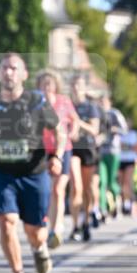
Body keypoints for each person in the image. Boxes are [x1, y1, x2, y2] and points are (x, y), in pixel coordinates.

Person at [0, 53, 64, 273]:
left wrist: (57, 157)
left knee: (35, 232)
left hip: (35, 173)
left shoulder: (37, 101)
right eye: (4, 68)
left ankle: (39, 248)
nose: (8, 72)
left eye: (14, 68)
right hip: (2, 172)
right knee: (6, 222)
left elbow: (59, 131)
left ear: (24, 74)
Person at [36, 70, 79, 249]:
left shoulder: (64, 101)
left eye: (50, 84)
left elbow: (75, 120)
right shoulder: (36, 103)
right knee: (46, 189)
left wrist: (73, 131)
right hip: (43, 150)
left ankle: (57, 228)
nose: (47, 87)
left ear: (56, 85)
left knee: (58, 189)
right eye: (43, 84)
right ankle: (46, 224)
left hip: (63, 149)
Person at [69, 74, 101, 242]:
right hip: (72, 149)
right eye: (74, 85)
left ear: (84, 88)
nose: (76, 89)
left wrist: (78, 122)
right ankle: (75, 226)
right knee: (76, 187)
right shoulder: (68, 105)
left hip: (87, 149)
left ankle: (86, 221)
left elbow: (94, 130)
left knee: (87, 189)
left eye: (79, 85)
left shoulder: (90, 107)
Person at [98, 93, 127, 219]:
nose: (102, 104)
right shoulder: (97, 114)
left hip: (113, 151)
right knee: (101, 181)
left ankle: (116, 205)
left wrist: (115, 129)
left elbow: (124, 130)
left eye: (104, 102)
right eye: (100, 102)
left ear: (109, 102)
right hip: (100, 152)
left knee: (111, 181)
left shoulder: (115, 113)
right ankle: (103, 208)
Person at [118, 123, 137, 215]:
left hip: (130, 160)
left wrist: (124, 146)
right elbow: (118, 146)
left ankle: (131, 204)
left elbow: (135, 147)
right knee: (121, 184)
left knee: (128, 182)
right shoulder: (119, 134)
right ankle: (123, 204)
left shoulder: (133, 134)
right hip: (120, 160)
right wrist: (128, 146)